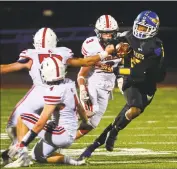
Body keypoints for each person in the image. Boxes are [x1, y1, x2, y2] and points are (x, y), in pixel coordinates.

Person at [0, 27, 114, 165]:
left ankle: (18, 149)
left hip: (38, 91)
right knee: (58, 119)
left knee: (15, 121)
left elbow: (6, 68)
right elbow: (86, 62)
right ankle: (33, 148)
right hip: (59, 90)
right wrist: (104, 53)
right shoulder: (63, 53)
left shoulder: (30, 54)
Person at [78, 10, 166, 160]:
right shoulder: (129, 36)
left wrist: (113, 68)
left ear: (152, 29)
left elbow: (139, 72)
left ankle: (112, 132)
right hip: (129, 81)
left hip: (147, 80)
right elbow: (114, 43)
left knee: (133, 112)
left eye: (144, 28)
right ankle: (108, 136)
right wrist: (113, 47)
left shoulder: (155, 48)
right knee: (133, 109)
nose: (139, 30)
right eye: (138, 26)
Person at [4, 57, 91, 168]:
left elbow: (41, 123)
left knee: (23, 116)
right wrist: (85, 121)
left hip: (61, 133)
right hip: (68, 133)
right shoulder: (69, 83)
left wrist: (22, 144)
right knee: (37, 155)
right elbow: (79, 106)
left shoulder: (55, 91)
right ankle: (76, 162)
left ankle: (22, 157)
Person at [76, 15, 123, 139]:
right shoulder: (92, 45)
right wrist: (82, 88)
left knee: (91, 124)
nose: (108, 36)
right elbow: (82, 73)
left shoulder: (122, 44)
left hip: (107, 88)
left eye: (110, 33)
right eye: (104, 33)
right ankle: (57, 122)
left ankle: (58, 144)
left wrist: (122, 79)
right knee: (92, 111)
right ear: (98, 33)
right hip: (93, 83)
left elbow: (124, 67)